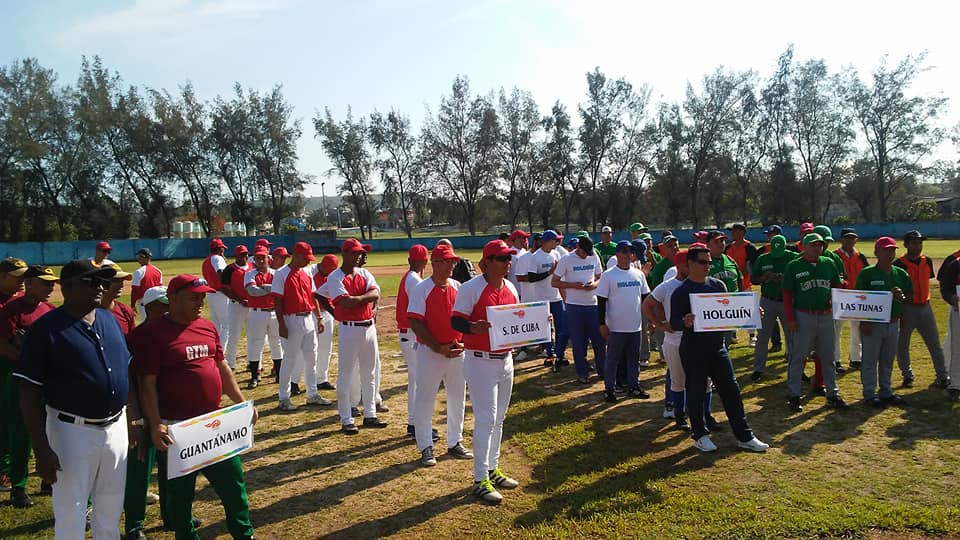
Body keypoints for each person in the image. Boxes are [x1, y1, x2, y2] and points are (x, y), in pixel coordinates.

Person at [16, 260, 131, 538]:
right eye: (90, 282)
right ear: (66, 287)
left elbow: (126, 371)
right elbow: (28, 392)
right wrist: (41, 449)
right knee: (72, 511)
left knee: (111, 506)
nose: (100, 287)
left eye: (102, 282)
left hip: (116, 426)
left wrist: (134, 420)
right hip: (71, 430)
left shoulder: (107, 319)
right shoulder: (45, 330)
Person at [137, 275, 257, 540]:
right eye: (194, 297)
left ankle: (244, 534)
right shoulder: (153, 333)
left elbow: (222, 367)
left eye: (203, 296)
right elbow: (147, 384)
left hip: (213, 423)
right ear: (174, 298)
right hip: (177, 428)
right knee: (180, 496)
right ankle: (185, 535)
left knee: (234, 486)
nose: (201, 302)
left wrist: (241, 403)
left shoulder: (207, 326)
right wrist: (156, 423)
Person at [670, 245, 769, 453]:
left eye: (709, 262)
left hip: (718, 348)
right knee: (696, 392)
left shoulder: (718, 285)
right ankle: (699, 434)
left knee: (731, 391)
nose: (708, 266)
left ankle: (744, 435)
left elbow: (729, 312)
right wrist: (684, 322)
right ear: (690, 264)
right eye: (702, 262)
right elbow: (673, 322)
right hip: (694, 350)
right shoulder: (681, 291)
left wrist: (750, 312)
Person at [452, 240, 521, 504]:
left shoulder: (511, 287)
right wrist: (471, 328)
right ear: (487, 262)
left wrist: (535, 322)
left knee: (499, 418)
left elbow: (517, 317)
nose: (507, 262)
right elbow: (455, 319)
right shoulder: (472, 288)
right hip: (480, 360)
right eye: (502, 258)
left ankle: (492, 468)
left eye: (508, 258)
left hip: (505, 359)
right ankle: (480, 478)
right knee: (486, 419)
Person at [409, 243, 473, 466]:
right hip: (430, 352)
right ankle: (426, 446)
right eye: (448, 262)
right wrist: (437, 347)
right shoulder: (422, 288)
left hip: (456, 351)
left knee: (457, 398)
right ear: (435, 263)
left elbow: (465, 318)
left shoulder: (458, 286)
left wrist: (463, 342)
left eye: (454, 262)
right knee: (426, 398)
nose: (452, 266)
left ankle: (455, 441)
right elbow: (415, 322)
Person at [0, 265, 57, 508]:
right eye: (44, 282)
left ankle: (48, 478)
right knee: (21, 431)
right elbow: (2, 345)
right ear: (30, 283)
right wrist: (28, 363)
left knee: (50, 428)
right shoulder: (11, 311)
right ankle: (19, 486)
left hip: (46, 379)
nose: (50, 287)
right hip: (19, 379)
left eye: (52, 283)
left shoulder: (50, 310)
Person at [122, 286, 170, 539]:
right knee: (140, 469)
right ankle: (134, 524)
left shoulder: (170, 333)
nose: (168, 309)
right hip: (144, 414)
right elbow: (131, 382)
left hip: (170, 412)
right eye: (164, 304)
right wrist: (137, 419)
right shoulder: (137, 338)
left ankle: (171, 514)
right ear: (149, 308)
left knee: (171, 467)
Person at [323, 239, 385, 433]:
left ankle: (370, 414)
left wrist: (357, 299)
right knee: (346, 374)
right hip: (349, 329)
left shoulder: (364, 273)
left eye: (359, 253)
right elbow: (345, 303)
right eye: (354, 253)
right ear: (345, 254)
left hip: (368, 328)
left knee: (370, 372)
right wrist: (362, 298)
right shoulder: (335, 277)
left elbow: (375, 294)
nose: (358, 256)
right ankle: (346, 419)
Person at [782, 233, 849, 412]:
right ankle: (794, 394)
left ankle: (832, 393)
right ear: (804, 246)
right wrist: (790, 318)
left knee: (828, 356)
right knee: (799, 356)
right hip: (804, 315)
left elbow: (837, 285)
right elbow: (787, 294)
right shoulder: (794, 266)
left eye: (820, 244)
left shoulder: (828, 263)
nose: (817, 248)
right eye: (813, 245)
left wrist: (835, 297)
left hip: (826, 315)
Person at [645, 249, 705, 430]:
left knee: (704, 381)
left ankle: (704, 416)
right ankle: (679, 415)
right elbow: (647, 304)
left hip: (699, 340)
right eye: (688, 265)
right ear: (680, 266)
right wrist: (660, 324)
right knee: (678, 380)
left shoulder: (700, 284)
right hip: (675, 340)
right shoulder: (668, 286)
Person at [273, 242, 332, 411]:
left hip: (308, 319)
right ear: (296, 255)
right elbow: (277, 300)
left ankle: (312, 394)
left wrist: (319, 317)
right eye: (306, 258)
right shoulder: (281, 274)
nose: (308, 261)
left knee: (311, 358)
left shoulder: (306, 273)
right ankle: (284, 398)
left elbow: (313, 297)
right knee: (289, 359)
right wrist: (281, 324)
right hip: (291, 319)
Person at [856, 237, 912, 407]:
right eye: (886, 250)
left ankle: (886, 392)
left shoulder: (900, 273)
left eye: (892, 250)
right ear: (876, 252)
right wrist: (864, 321)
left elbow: (910, 296)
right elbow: (859, 299)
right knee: (870, 360)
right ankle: (869, 394)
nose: (890, 253)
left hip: (893, 322)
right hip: (873, 323)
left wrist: (901, 296)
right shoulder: (867, 273)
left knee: (888, 360)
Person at [893, 229, 949, 388]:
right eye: (914, 243)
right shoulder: (899, 264)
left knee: (934, 343)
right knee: (902, 344)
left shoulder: (927, 261)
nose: (917, 246)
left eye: (919, 243)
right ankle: (907, 375)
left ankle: (942, 375)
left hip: (925, 306)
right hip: (907, 308)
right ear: (906, 244)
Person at [598, 241, 651, 402]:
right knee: (613, 359)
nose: (629, 255)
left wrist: (651, 320)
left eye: (631, 252)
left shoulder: (638, 274)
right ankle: (609, 388)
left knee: (633, 358)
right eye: (625, 252)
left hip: (635, 325)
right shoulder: (608, 275)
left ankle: (633, 385)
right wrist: (602, 323)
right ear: (617, 254)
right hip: (616, 326)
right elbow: (601, 301)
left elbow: (645, 298)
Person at [552, 236, 605, 384]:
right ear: (578, 248)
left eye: (589, 253)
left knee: (598, 340)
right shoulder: (566, 260)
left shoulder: (593, 256)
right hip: (574, 305)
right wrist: (573, 285)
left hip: (593, 304)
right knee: (578, 341)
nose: (586, 256)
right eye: (583, 253)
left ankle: (603, 370)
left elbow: (601, 276)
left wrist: (594, 284)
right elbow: (554, 282)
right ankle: (582, 373)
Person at [750, 235, 798, 381]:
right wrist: (765, 277)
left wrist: (785, 279)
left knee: (792, 337)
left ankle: (795, 369)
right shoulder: (763, 259)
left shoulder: (794, 258)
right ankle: (758, 368)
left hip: (787, 301)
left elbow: (800, 278)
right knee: (763, 336)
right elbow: (753, 279)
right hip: (767, 300)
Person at [0, 256, 26, 492]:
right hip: (4, 367)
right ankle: (4, 471)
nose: (22, 282)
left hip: (18, 368)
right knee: (4, 421)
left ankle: (14, 467)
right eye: (17, 277)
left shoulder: (21, 301)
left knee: (20, 420)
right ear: (2, 276)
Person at [397, 245, 428, 438]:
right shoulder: (415, 281)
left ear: (410, 260)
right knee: (419, 381)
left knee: (416, 380)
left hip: (407, 334)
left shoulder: (410, 278)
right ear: (426, 262)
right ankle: (416, 424)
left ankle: (414, 422)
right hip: (411, 334)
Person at [527, 230, 568, 369]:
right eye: (555, 240)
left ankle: (559, 353)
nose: (557, 243)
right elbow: (531, 278)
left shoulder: (556, 254)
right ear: (548, 241)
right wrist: (548, 273)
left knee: (561, 326)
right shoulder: (536, 257)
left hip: (556, 297)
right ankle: (549, 353)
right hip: (542, 298)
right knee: (545, 328)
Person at [244, 246, 282, 389]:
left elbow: (281, 290)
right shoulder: (250, 274)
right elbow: (252, 291)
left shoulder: (276, 273)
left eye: (263, 257)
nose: (260, 260)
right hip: (256, 312)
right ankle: (254, 376)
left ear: (268, 258)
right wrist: (271, 288)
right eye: (257, 258)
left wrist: (264, 286)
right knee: (256, 344)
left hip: (273, 312)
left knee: (276, 343)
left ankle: (279, 374)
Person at [834, 228, 868, 370]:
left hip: (857, 297)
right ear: (841, 239)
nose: (850, 240)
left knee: (857, 329)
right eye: (847, 237)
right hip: (839, 297)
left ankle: (856, 358)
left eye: (853, 238)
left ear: (856, 240)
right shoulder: (834, 255)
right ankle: (835, 359)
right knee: (836, 330)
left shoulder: (860, 257)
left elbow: (866, 275)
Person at [705, 230, 744, 347]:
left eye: (723, 241)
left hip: (730, 307)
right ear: (708, 244)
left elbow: (739, 279)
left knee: (726, 339)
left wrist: (741, 298)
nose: (721, 243)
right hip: (712, 308)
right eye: (717, 241)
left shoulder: (729, 260)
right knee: (712, 341)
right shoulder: (704, 262)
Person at [725, 224, 759, 346]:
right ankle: (732, 334)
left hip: (744, 283)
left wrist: (739, 274)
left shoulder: (749, 247)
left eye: (734, 231)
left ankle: (752, 336)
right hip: (731, 285)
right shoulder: (728, 247)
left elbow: (749, 267)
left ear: (742, 233)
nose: (732, 234)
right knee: (730, 310)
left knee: (748, 310)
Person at [220, 245, 252, 371]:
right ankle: (231, 364)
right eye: (241, 254)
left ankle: (252, 362)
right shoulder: (229, 269)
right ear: (236, 256)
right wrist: (240, 300)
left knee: (252, 335)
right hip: (236, 306)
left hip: (251, 306)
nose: (244, 257)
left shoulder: (252, 267)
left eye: (246, 254)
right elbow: (224, 288)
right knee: (234, 335)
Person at [311, 254, 338, 391]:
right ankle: (299, 380)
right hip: (312, 313)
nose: (330, 273)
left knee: (326, 347)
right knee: (311, 348)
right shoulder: (310, 272)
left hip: (327, 313)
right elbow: (313, 295)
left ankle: (322, 379)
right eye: (329, 269)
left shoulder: (333, 276)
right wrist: (318, 316)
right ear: (322, 265)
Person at [936, 245, 960, 400]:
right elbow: (945, 287)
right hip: (958, 311)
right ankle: (956, 384)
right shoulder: (956, 264)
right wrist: (951, 298)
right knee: (957, 346)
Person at [201, 238, 230, 346]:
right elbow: (220, 272)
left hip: (211, 293)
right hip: (220, 294)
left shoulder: (206, 260)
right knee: (227, 325)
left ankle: (213, 348)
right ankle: (220, 352)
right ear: (220, 249)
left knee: (216, 325)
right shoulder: (218, 259)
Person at [102, 264, 136, 335]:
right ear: (102, 283)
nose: (121, 285)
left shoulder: (126, 311)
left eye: (122, 281)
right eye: (116, 280)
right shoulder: (87, 313)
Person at [130, 248, 163, 320]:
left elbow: (135, 290)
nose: (137, 258)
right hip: (157, 301)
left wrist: (132, 305)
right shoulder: (158, 271)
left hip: (144, 302)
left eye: (139, 256)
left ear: (143, 257)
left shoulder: (139, 272)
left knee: (146, 323)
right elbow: (160, 288)